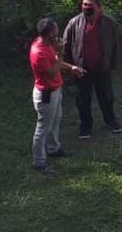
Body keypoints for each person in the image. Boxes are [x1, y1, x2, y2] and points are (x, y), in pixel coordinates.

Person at [62, 0, 122, 139]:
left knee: (106, 97)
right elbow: (66, 45)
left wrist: (111, 64)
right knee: (82, 100)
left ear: (99, 7)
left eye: (90, 5)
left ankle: (110, 121)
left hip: (102, 67)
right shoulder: (74, 23)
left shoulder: (109, 23)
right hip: (81, 69)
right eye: (84, 5)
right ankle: (85, 126)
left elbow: (115, 45)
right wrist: (70, 67)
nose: (86, 8)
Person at [29, 17, 84, 174]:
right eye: (55, 30)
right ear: (49, 34)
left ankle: (53, 148)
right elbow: (53, 72)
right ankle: (39, 162)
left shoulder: (47, 44)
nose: (58, 32)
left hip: (55, 91)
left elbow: (55, 62)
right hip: (46, 95)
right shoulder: (38, 52)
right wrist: (61, 53)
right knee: (43, 127)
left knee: (56, 119)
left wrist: (71, 67)